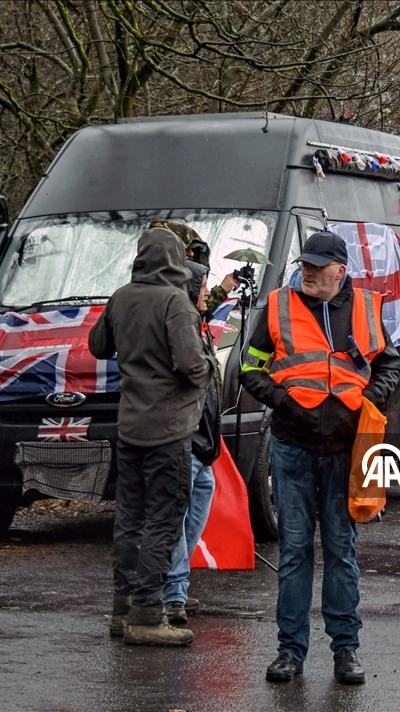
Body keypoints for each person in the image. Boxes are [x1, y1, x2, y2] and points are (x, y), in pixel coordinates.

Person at [240, 231, 400, 685]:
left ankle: (345, 650)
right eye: (304, 265)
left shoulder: (367, 308)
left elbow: (391, 365)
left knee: (340, 550)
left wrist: (370, 399)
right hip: (292, 445)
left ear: (340, 271)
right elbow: (251, 367)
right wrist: (286, 403)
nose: (307, 272)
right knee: (294, 552)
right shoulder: (276, 305)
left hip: (345, 449)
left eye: (317, 266)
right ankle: (290, 651)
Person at [89, 227, 213, 646]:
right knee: (163, 519)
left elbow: (98, 346)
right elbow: (190, 364)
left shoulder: (121, 296)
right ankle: (147, 613)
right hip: (170, 428)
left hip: (130, 425)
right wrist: (209, 369)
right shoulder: (176, 302)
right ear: (176, 258)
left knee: (129, 519)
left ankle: (122, 607)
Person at [163, 262, 221, 625]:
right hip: (185, 439)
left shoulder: (198, 326)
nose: (206, 294)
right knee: (175, 519)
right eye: (203, 287)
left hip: (203, 445)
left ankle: (175, 586)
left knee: (194, 512)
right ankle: (173, 594)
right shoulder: (180, 330)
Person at [149, 220, 239, 313]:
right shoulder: (154, 297)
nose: (191, 254)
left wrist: (222, 290)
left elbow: (193, 308)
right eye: (185, 249)